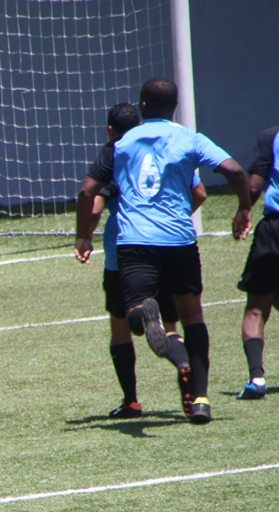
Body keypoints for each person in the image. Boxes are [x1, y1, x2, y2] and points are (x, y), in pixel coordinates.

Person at [74, 77, 252, 424]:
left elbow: (87, 192)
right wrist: (244, 207)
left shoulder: (121, 143)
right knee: (192, 316)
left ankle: (145, 317)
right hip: (179, 241)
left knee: (133, 311)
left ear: (142, 106)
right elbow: (232, 169)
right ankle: (200, 400)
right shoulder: (190, 138)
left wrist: (83, 236)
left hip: (135, 242)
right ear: (176, 106)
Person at [87, 103, 208, 419]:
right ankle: (184, 366)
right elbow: (199, 193)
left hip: (126, 255)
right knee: (172, 327)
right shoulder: (166, 150)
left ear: (111, 130)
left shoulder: (115, 155)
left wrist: (84, 236)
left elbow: (95, 202)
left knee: (122, 325)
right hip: (168, 248)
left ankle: (131, 401)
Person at [235, 124, 279, 399]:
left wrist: (243, 210)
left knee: (256, 307)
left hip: (274, 230)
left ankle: (256, 378)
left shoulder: (272, 136)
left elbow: (253, 185)